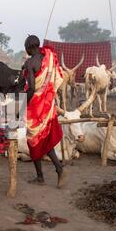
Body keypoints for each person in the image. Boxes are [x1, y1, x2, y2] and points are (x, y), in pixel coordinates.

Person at [22, 35, 66, 187]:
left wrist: (23, 105)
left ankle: (42, 176)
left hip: (35, 107)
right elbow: (53, 79)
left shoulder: (29, 62)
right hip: (47, 106)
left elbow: (32, 88)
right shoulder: (48, 57)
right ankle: (55, 170)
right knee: (45, 141)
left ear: (28, 48)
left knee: (33, 141)